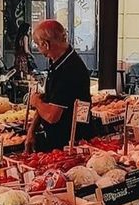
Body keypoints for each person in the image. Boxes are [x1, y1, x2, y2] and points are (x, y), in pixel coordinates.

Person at [25, 20, 91, 152]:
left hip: (68, 144)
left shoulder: (69, 69)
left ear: (46, 44)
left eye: (38, 45)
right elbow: (48, 100)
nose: (38, 49)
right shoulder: (57, 61)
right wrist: (32, 130)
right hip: (56, 139)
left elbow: (52, 116)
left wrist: (35, 101)